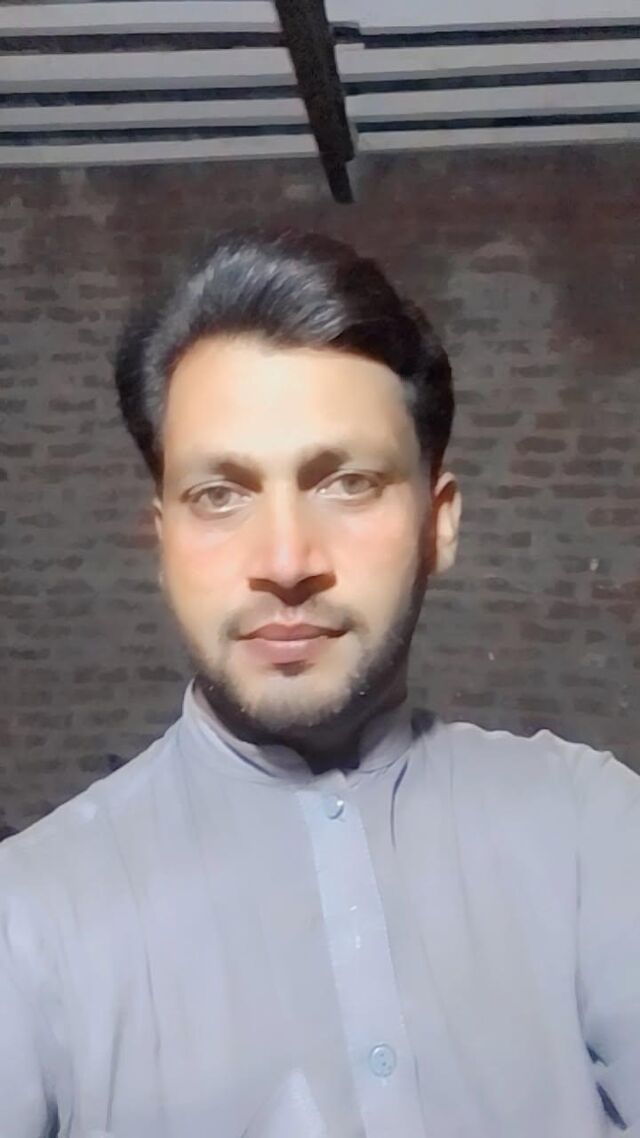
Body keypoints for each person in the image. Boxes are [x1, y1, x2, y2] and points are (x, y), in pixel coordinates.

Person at [1, 228, 638, 1138]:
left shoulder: (594, 837)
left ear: (439, 524)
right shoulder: (27, 919)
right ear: (163, 540)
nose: (286, 559)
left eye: (346, 482)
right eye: (220, 495)